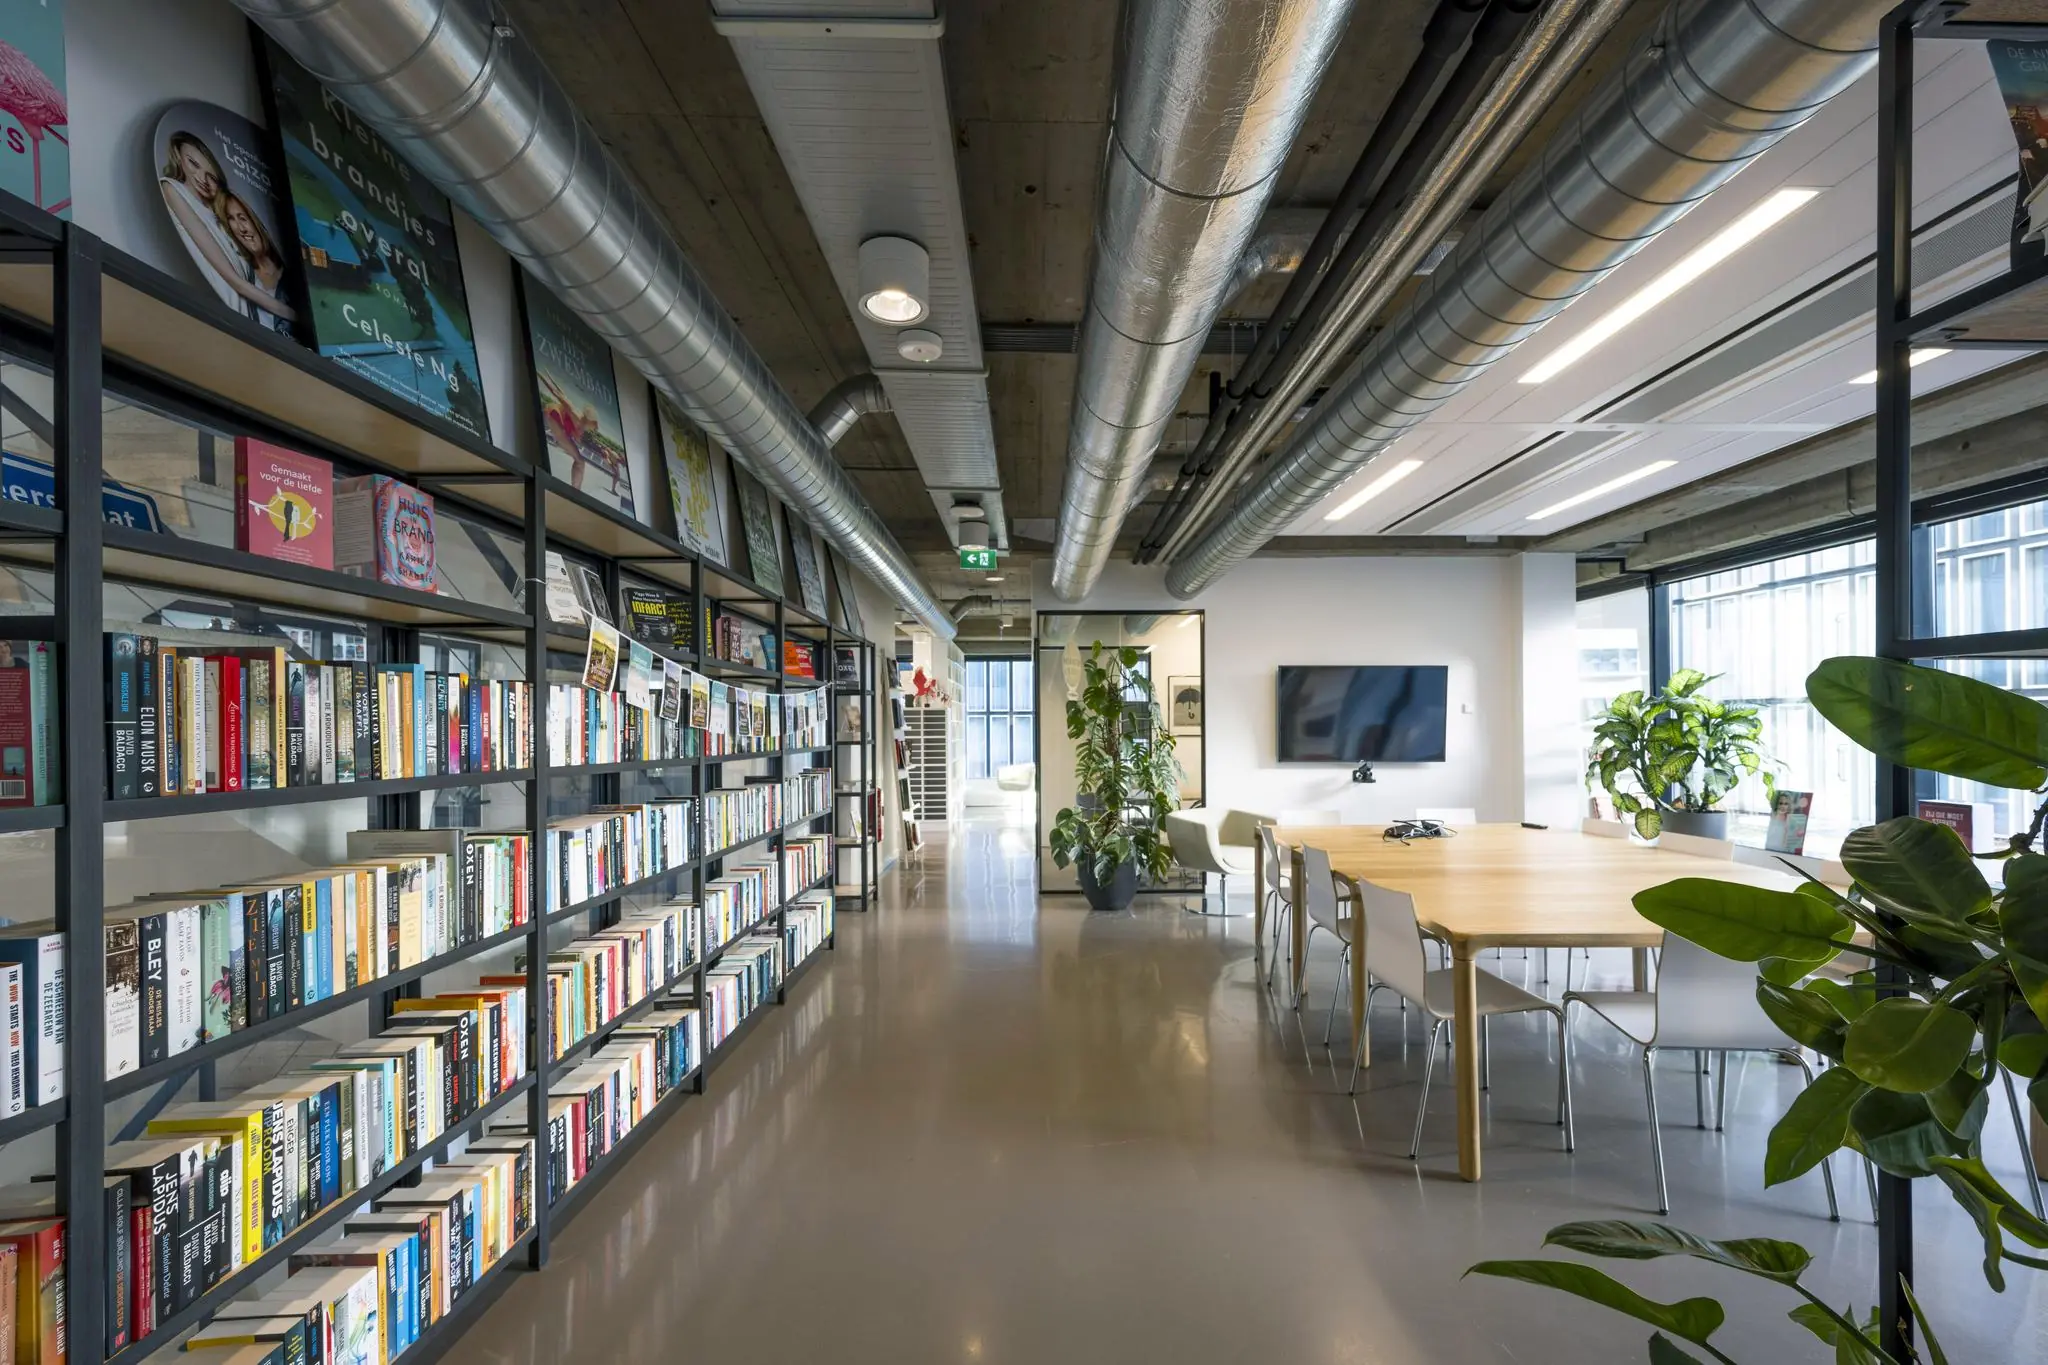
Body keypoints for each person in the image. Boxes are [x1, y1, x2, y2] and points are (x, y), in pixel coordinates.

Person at [159, 131, 296, 329]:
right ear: (179, 158)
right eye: (193, 163)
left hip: (253, 314)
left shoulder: (218, 214)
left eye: (211, 175)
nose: (202, 178)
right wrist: (294, 315)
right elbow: (235, 281)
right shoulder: (172, 189)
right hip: (239, 317)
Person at [216, 190, 296, 332]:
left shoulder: (291, 277)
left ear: (257, 222)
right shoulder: (241, 271)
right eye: (231, 219)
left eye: (243, 218)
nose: (241, 229)